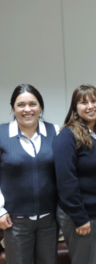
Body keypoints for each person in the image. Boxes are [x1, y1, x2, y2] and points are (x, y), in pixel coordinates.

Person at [52, 85, 96, 264]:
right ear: (75, 108)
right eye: (83, 102)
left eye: (94, 101)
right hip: (83, 216)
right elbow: (66, 181)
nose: (90, 106)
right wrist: (80, 217)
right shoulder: (67, 136)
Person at [0, 84, 59, 264]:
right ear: (13, 108)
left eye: (33, 104)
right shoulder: (1, 134)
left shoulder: (54, 131)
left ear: (40, 107)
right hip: (15, 221)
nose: (27, 109)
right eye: (21, 105)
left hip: (49, 219)